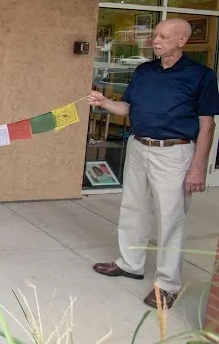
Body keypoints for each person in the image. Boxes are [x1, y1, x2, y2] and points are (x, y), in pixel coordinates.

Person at [87, 18, 219, 309]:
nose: (155, 41)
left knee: (171, 219)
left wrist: (198, 167)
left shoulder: (201, 75)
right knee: (133, 208)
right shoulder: (144, 71)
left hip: (174, 153)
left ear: (182, 41)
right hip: (138, 147)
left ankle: (167, 285)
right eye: (155, 35)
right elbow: (127, 107)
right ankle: (130, 263)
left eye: (164, 37)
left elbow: (206, 124)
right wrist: (104, 102)